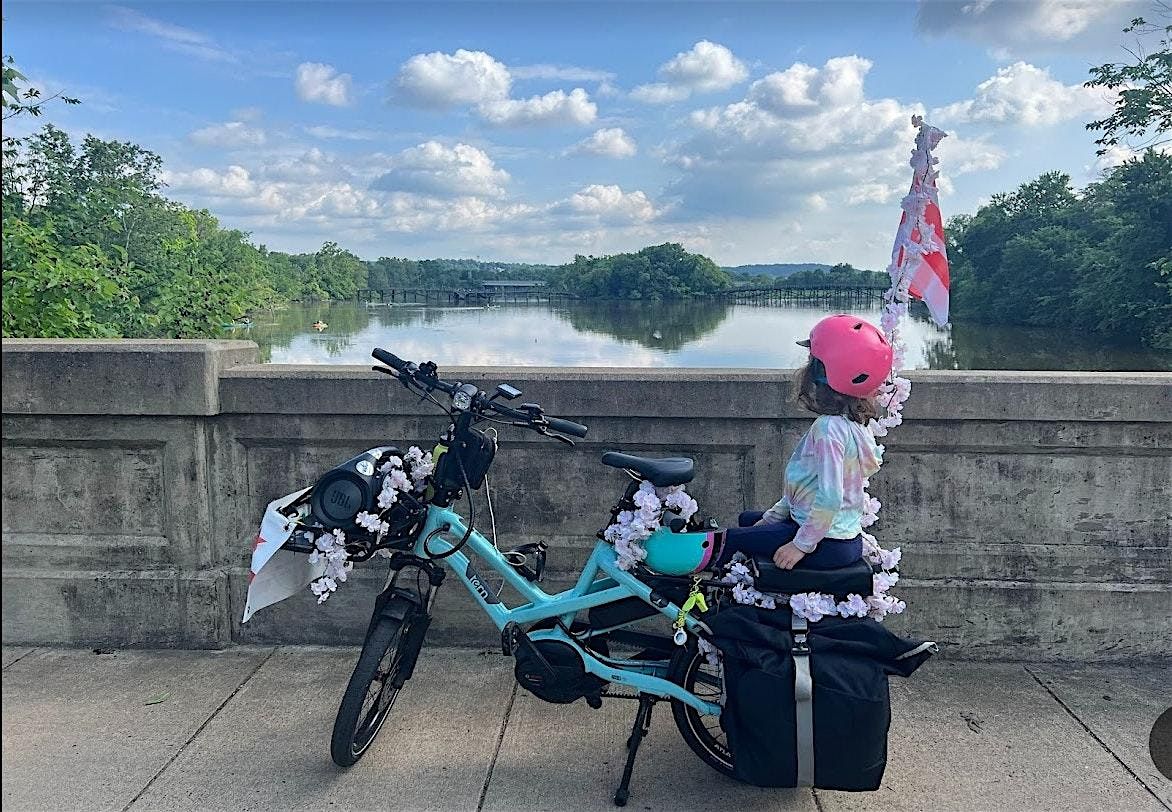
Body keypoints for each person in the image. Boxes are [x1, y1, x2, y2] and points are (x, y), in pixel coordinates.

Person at [714, 314, 892, 572]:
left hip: (826, 543)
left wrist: (800, 545)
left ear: (822, 372)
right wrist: (770, 520)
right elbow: (805, 486)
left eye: (812, 361)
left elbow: (830, 497)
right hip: (842, 537)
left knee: (727, 540)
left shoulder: (828, 429)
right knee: (748, 521)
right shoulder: (854, 423)